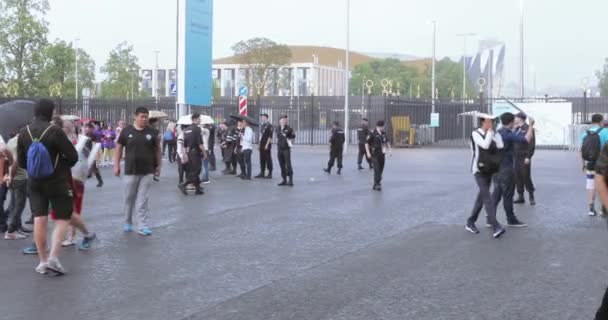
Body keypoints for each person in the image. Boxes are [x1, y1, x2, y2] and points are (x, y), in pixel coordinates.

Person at [17, 99, 78, 275]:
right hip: (56, 180)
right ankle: (53, 258)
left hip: (34, 181)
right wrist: (60, 165)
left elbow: (21, 162)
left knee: (39, 219)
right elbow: (72, 156)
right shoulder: (55, 131)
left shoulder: (24, 132)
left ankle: (42, 261)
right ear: (50, 112)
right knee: (62, 217)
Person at [114, 107, 161, 236]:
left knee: (142, 200)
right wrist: (116, 165)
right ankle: (128, 221)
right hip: (130, 170)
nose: (144, 119)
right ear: (135, 117)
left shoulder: (152, 132)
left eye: (146, 117)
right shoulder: (126, 131)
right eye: (142, 116)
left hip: (147, 171)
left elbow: (157, 150)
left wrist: (158, 167)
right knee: (129, 198)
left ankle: (143, 225)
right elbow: (118, 148)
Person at [465, 113, 506, 238]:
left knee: (481, 198)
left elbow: (500, 146)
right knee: (487, 197)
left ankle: (470, 221)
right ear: (482, 122)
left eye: (492, 122)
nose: (491, 124)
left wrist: (495, 133)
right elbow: (485, 145)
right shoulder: (475, 134)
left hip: (490, 169)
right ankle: (495, 226)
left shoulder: (493, 132)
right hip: (478, 170)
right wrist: (489, 133)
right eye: (489, 121)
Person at [491, 112, 534, 228]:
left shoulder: (498, 132)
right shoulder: (508, 134)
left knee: (496, 194)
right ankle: (511, 219)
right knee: (508, 195)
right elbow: (526, 139)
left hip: (495, 169)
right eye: (514, 120)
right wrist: (531, 125)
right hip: (506, 169)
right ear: (511, 122)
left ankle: (490, 218)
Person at [3, 132, 31, 240]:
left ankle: (17, 227)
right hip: (19, 178)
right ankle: (11, 231)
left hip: (13, 178)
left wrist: (9, 176)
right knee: (19, 205)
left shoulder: (11, 141)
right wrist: (11, 175)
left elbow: (7, 154)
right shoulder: (22, 142)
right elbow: (15, 162)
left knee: (14, 204)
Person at [581, 114, 608, 216]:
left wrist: (583, 164)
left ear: (592, 122)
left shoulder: (585, 133)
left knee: (590, 185)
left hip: (590, 163)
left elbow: (582, 150)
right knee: (604, 184)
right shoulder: (605, 132)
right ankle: (603, 209)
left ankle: (591, 209)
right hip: (603, 164)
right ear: (601, 121)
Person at [176, 114, 204, 195]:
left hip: (189, 152)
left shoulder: (186, 131)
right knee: (195, 171)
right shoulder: (196, 129)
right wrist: (182, 156)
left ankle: (198, 189)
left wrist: (185, 154)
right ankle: (184, 184)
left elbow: (185, 145)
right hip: (194, 153)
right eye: (199, 119)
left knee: (194, 170)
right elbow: (200, 143)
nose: (200, 120)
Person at [513, 112, 536, 205]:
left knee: (526, 176)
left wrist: (528, 156)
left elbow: (531, 144)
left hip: (524, 156)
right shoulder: (516, 129)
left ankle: (531, 194)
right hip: (515, 156)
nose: (514, 119)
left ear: (521, 118)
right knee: (517, 176)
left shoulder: (528, 128)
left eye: (516, 117)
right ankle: (520, 195)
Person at [365, 120, 391, 191]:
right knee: (377, 170)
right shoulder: (372, 133)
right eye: (383, 126)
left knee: (381, 169)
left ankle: (376, 183)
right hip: (374, 154)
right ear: (379, 126)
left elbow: (387, 141)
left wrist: (390, 150)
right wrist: (368, 153)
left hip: (382, 154)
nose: (383, 128)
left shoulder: (383, 133)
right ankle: (377, 184)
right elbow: (366, 143)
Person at [277, 115, 296, 187]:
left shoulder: (289, 129)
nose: (284, 121)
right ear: (280, 121)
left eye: (285, 120)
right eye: (282, 120)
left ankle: (290, 180)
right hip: (279, 149)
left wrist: (291, 143)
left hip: (286, 149)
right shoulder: (278, 128)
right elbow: (277, 137)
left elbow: (293, 138)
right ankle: (284, 179)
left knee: (288, 164)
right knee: (281, 164)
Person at [255, 113, 274, 179]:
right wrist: (259, 144)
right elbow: (261, 136)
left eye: (263, 117)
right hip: (262, 144)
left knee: (268, 159)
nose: (262, 118)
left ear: (266, 117)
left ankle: (270, 173)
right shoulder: (263, 125)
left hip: (267, 144)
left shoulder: (270, 126)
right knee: (262, 158)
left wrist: (266, 144)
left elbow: (270, 136)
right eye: (261, 117)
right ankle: (262, 172)